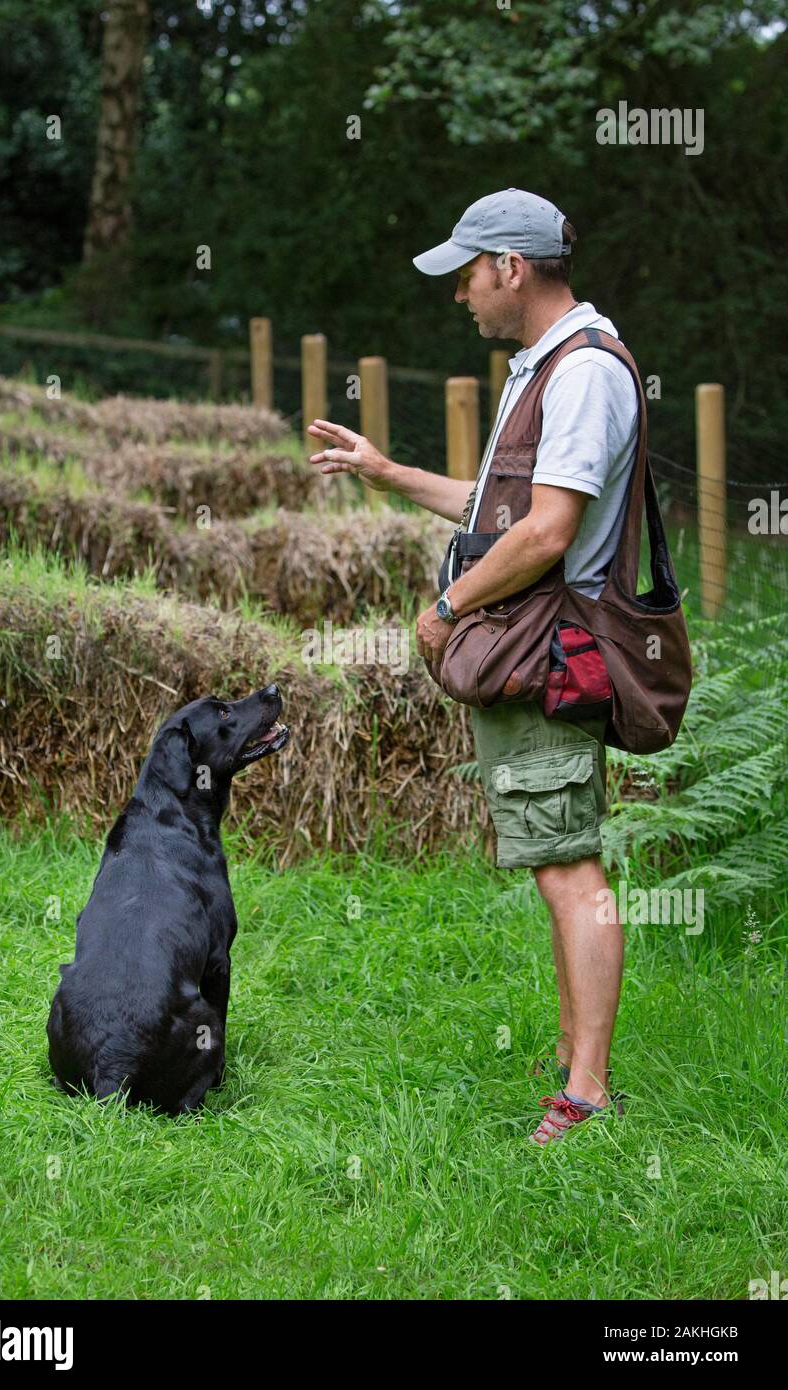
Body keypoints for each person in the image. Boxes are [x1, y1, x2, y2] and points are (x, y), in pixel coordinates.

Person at [307, 189, 637, 1144]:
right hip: (528, 650)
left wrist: (449, 608)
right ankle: (579, 1056)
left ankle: (587, 1095)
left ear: (511, 268)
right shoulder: (546, 366)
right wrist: (388, 472)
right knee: (553, 861)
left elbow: (546, 530)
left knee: (572, 869)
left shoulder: (580, 375)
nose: (460, 294)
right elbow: (500, 509)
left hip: (545, 652)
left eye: (467, 272)